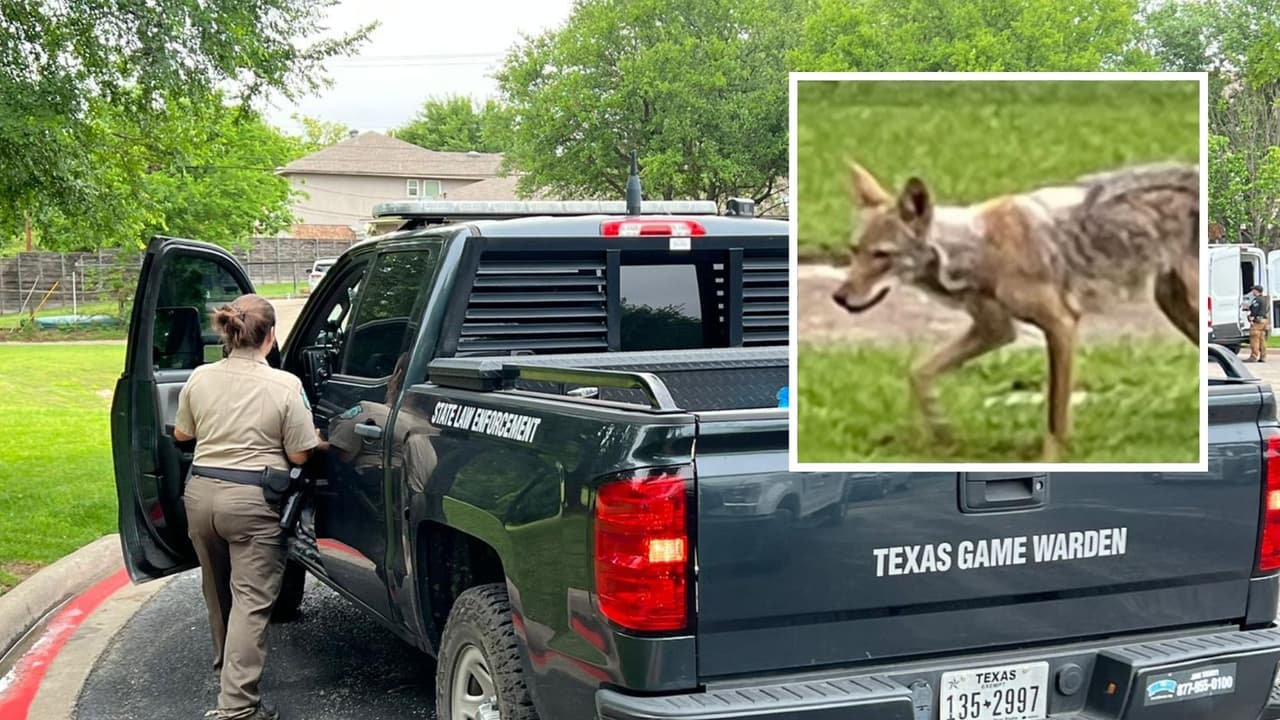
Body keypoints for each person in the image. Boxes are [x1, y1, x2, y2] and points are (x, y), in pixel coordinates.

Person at [173, 294, 323, 720]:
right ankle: (237, 706)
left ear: (228, 334)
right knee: (251, 601)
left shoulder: (200, 377)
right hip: (254, 501)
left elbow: (184, 435)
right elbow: (299, 455)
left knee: (218, 594)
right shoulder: (284, 385)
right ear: (271, 338)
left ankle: (228, 672)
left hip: (200, 495)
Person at [1246, 284, 1270, 363]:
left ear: (1257, 291)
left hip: (1257, 322)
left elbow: (1255, 310)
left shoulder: (1257, 300)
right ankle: (1263, 357)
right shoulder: (1264, 299)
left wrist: (1251, 317)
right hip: (1264, 321)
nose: (1252, 291)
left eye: (1253, 290)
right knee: (1262, 339)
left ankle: (1253, 356)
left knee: (1254, 339)